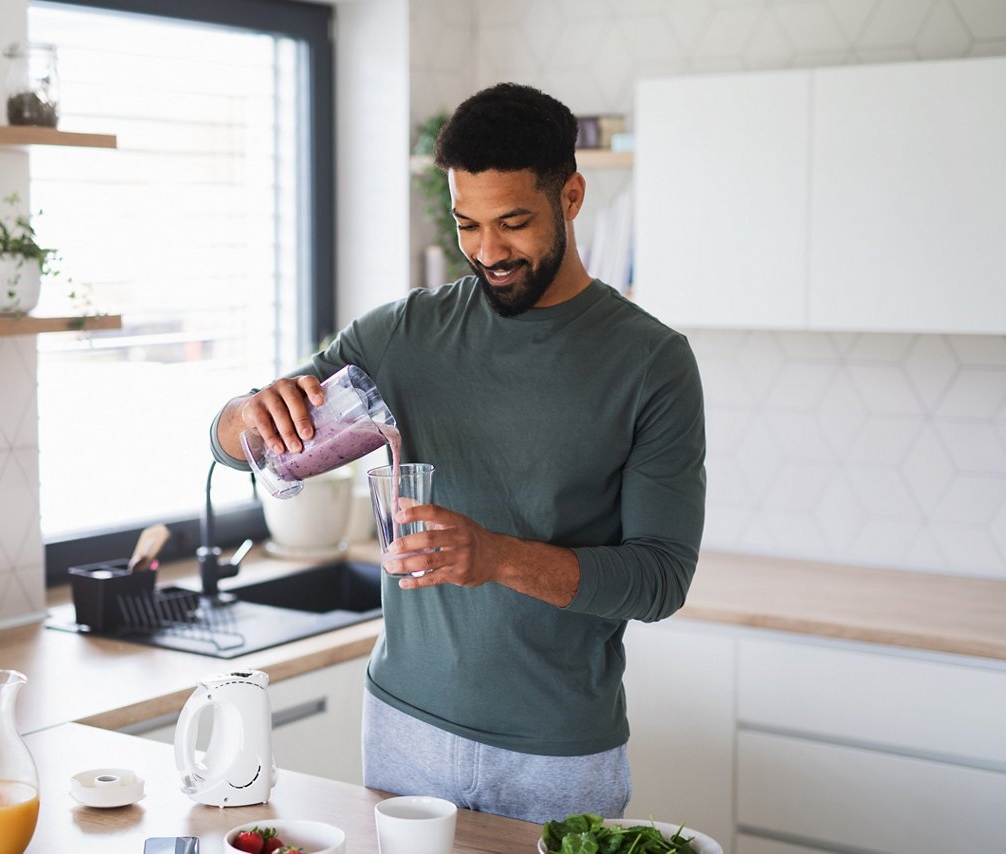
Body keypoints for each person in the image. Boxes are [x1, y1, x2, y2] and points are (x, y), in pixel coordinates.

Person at [209, 82, 706, 824]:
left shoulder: (650, 362)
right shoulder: (404, 334)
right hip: (402, 730)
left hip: (558, 755)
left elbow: (660, 578)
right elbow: (239, 444)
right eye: (467, 224)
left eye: (513, 223)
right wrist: (246, 415)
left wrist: (498, 557)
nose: (488, 252)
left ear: (570, 197)